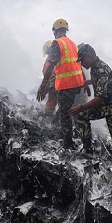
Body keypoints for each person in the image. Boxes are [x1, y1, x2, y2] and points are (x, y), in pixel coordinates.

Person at [69, 44, 112, 180]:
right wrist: (87, 82)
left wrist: (81, 107)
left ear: (90, 55)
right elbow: (98, 82)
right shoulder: (95, 68)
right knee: (82, 117)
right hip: (106, 106)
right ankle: (88, 150)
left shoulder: (101, 69)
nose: (82, 64)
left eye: (83, 60)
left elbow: (100, 98)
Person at [37, 19, 90, 149]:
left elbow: (50, 67)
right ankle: (87, 146)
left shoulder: (57, 44)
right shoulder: (72, 44)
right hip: (77, 84)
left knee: (65, 116)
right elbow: (79, 64)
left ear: (55, 31)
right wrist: (84, 83)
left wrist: (42, 87)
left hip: (66, 85)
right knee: (77, 113)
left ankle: (68, 145)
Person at [41, 40, 58, 119]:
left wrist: (45, 87)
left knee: (51, 101)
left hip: (54, 84)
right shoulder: (55, 56)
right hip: (60, 83)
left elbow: (49, 72)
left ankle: (48, 116)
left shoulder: (51, 58)